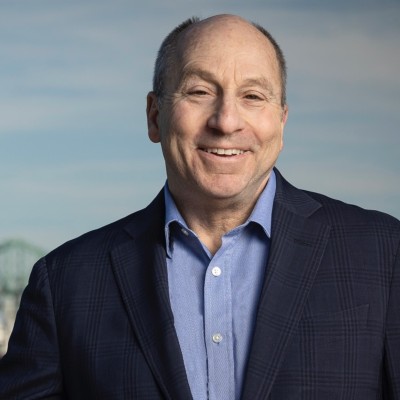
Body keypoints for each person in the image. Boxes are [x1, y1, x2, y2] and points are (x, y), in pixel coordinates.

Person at [0, 14, 399, 400]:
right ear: (155, 116)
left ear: (281, 123)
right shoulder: (66, 282)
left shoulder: (384, 254)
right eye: (199, 92)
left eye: (253, 96)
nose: (226, 121)